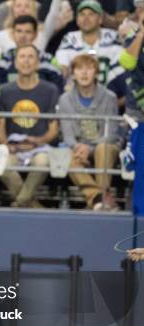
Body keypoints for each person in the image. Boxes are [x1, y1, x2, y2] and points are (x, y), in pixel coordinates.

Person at [0, 44, 60, 208]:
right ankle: (33, 205)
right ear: (15, 63)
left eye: (31, 57)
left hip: (40, 147)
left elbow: (54, 129)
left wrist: (38, 141)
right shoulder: (4, 90)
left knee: (43, 162)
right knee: (0, 162)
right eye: (22, 57)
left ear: (38, 63)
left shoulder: (50, 90)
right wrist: (7, 145)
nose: (26, 61)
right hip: (13, 147)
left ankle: (21, 202)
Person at [57, 53, 120, 210]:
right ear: (73, 73)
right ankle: (98, 198)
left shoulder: (109, 97)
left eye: (89, 68)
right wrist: (79, 148)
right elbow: (68, 136)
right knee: (65, 155)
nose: (84, 73)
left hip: (105, 146)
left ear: (96, 72)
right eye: (79, 69)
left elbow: (110, 134)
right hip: (78, 149)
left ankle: (98, 199)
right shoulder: (65, 99)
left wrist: (89, 149)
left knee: (102, 148)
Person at [55, 0, 125, 98]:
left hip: (108, 95)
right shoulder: (70, 39)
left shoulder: (113, 37)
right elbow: (63, 69)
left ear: (100, 19)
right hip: (75, 97)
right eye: (82, 15)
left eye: (91, 14)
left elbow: (121, 74)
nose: (86, 18)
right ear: (77, 20)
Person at [0, 15, 64, 92]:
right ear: (12, 34)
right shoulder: (0, 61)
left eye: (28, 32)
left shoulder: (49, 61)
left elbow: (57, 92)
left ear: (35, 35)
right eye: (19, 31)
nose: (23, 36)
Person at [119, 1, 144, 215]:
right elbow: (127, 62)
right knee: (140, 173)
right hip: (140, 120)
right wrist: (142, 33)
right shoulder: (132, 35)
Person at [0, 0, 68, 55]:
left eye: (27, 6)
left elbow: (53, 14)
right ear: (12, 10)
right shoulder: (0, 36)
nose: (22, 9)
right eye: (18, 6)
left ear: (33, 10)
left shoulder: (42, 33)